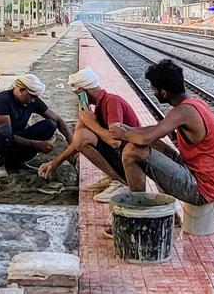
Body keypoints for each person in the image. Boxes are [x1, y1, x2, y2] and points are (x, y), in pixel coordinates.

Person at [109, 59, 214, 209]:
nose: (154, 93)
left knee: (132, 151)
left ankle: (137, 211)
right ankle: (168, 213)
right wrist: (129, 130)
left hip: (200, 188)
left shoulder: (183, 111)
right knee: (152, 144)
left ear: (163, 92)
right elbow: (156, 130)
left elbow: (146, 138)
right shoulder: (192, 104)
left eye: (154, 90)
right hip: (197, 174)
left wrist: (123, 135)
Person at [38, 66, 141, 203]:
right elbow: (77, 142)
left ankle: (120, 182)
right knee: (81, 135)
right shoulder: (97, 107)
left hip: (132, 160)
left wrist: (91, 123)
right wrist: (55, 163)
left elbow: (115, 141)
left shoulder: (111, 101)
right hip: (120, 155)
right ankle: (114, 177)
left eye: (77, 94)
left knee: (84, 136)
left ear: (82, 91)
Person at [0, 73, 71, 178]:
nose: (33, 100)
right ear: (21, 90)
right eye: (32, 96)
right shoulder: (2, 100)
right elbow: (5, 134)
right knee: (5, 129)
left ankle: (18, 162)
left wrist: (73, 144)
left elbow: (57, 120)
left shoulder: (32, 100)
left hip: (13, 142)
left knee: (50, 124)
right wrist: (36, 144)